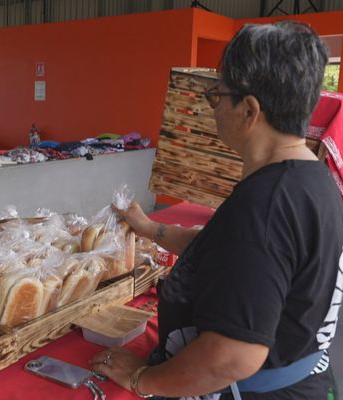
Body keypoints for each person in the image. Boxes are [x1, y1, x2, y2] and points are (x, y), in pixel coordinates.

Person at [90, 22, 343, 399]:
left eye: (218, 96)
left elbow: (231, 357)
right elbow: (225, 251)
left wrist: (142, 379)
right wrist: (147, 228)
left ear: (249, 110)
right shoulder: (313, 180)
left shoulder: (265, 206)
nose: (214, 108)